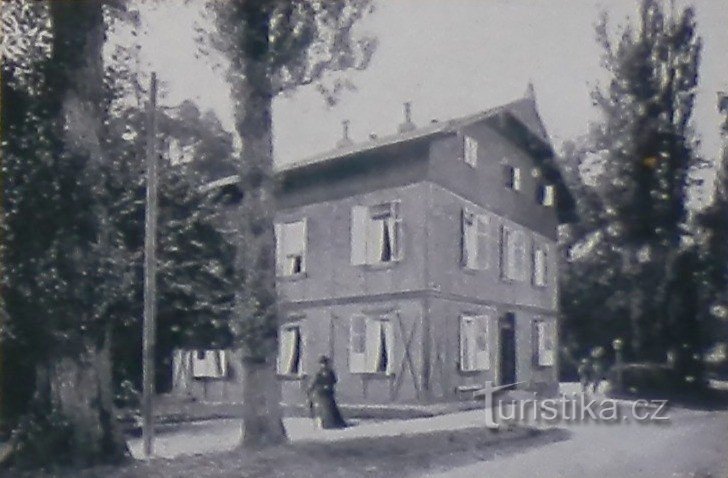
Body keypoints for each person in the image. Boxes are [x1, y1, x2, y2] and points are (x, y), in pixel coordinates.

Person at [307, 355, 347, 429]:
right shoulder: (319, 373)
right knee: (324, 409)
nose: (324, 365)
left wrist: (329, 385)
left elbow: (334, 381)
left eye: (325, 363)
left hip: (329, 393)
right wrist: (312, 389)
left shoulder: (330, 372)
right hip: (321, 394)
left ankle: (336, 423)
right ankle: (326, 424)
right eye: (322, 364)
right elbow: (315, 382)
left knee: (332, 408)